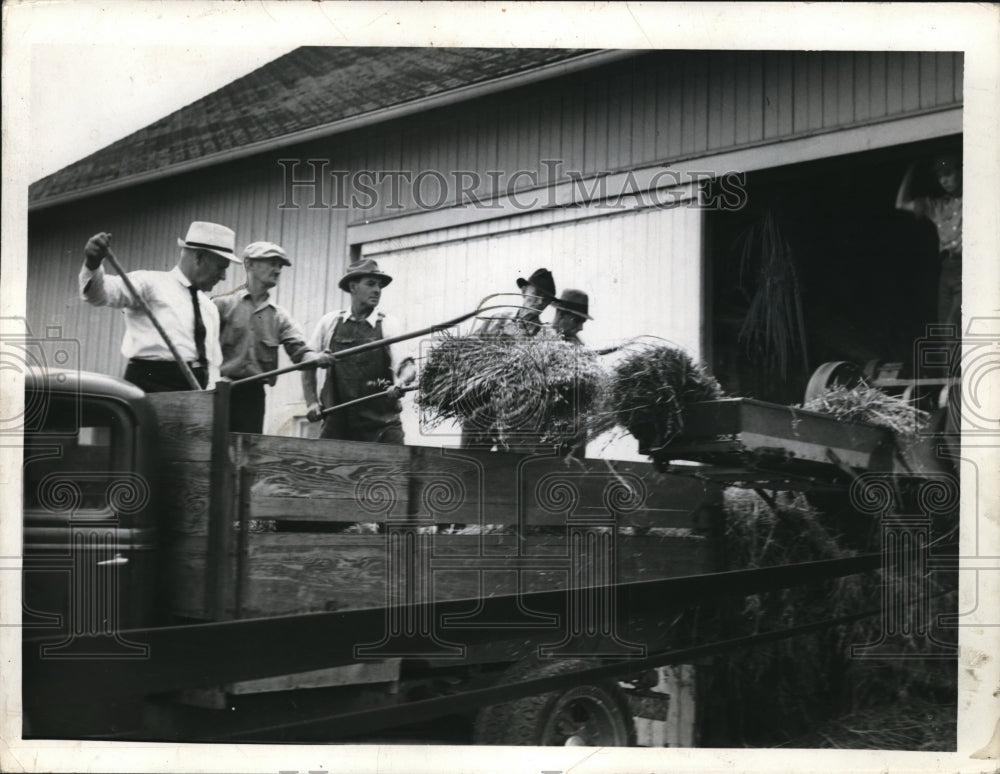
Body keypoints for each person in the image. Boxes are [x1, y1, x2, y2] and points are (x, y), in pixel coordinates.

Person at [80, 221, 240, 392]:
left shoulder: (209, 308)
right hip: (150, 391)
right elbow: (99, 294)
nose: (223, 277)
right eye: (220, 267)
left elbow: (213, 363)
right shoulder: (150, 284)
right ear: (199, 257)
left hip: (194, 398)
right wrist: (93, 264)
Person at [302, 259, 416, 443]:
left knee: (394, 470)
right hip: (338, 424)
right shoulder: (329, 322)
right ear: (353, 286)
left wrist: (401, 383)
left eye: (379, 286)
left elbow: (407, 365)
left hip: (381, 425)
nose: (377, 290)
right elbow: (307, 362)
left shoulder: (388, 324)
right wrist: (312, 402)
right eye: (370, 284)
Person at [212, 242, 319, 433]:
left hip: (253, 397)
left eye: (280, 265)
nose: (277, 270)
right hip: (218, 391)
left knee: (247, 451)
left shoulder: (279, 316)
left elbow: (300, 350)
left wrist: (313, 358)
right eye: (272, 263)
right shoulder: (221, 305)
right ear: (250, 264)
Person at [896, 154, 962, 328]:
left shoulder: (976, 199)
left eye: (948, 174)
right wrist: (912, 168)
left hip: (968, 265)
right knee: (944, 323)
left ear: (961, 171)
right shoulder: (938, 205)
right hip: (948, 268)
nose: (944, 180)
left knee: (955, 321)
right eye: (940, 176)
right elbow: (901, 203)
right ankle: (953, 356)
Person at [475, 268, 556, 338]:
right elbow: (469, 345)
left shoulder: (544, 337)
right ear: (524, 291)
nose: (540, 302)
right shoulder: (497, 318)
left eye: (546, 299)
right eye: (537, 294)